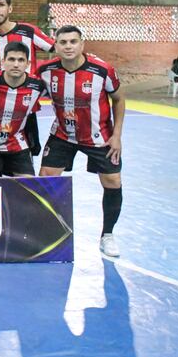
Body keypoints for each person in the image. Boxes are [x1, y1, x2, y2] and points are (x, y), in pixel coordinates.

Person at [38, 25, 125, 257]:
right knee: (46, 177)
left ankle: (108, 235)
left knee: (113, 181)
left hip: (99, 137)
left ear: (82, 44)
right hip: (62, 135)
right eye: (63, 42)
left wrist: (117, 136)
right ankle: (45, 230)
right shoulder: (45, 71)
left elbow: (118, 99)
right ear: (56, 46)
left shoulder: (103, 70)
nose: (68, 46)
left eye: (73, 41)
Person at [0, 42, 46, 178]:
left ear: (27, 63)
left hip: (17, 145)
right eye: (11, 59)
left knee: (29, 186)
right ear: (3, 62)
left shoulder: (37, 86)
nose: (16, 64)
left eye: (21, 60)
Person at [0, 0, 55, 74]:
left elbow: (57, 49)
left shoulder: (28, 31)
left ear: (10, 9)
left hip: (27, 82)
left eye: (1, 5)